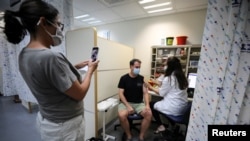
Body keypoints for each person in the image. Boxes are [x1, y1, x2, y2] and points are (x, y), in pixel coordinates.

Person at [3, 0, 99, 141]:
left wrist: (73, 67)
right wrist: (91, 70)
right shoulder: (51, 57)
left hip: (47, 120)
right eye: (58, 24)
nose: (59, 29)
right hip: (66, 127)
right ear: (43, 22)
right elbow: (80, 94)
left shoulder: (24, 54)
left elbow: (46, 76)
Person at [145, 56, 188, 134]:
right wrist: (156, 82)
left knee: (152, 104)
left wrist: (150, 87)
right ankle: (173, 125)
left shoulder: (169, 78)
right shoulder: (182, 76)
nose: (164, 66)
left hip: (173, 107)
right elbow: (171, 87)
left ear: (170, 66)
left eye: (166, 64)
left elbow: (161, 93)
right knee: (160, 105)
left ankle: (161, 126)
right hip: (183, 107)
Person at [117, 58, 152, 141]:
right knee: (121, 115)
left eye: (139, 67)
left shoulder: (141, 78)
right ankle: (128, 135)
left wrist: (147, 105)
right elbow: (121, 93)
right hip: (126, 102)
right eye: (136, 67)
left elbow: (145, 93)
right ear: (131, 66)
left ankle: (141, 135)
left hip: (139, 103)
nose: (138, 69)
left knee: (149, 114)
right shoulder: (124, 78)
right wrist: (128, 106)